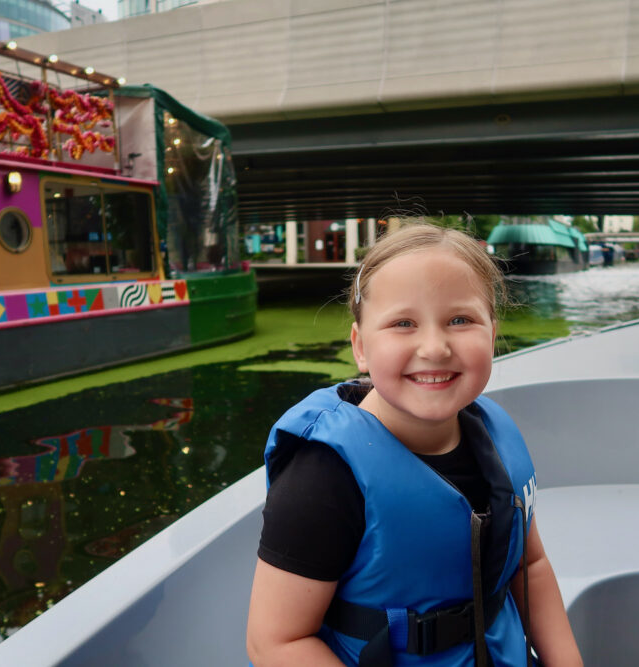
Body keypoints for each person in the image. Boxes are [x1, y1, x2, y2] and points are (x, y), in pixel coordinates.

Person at [247, 221, 582, 667]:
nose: (435, 347)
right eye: (403, 323)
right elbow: (276, 642)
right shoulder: (324, 477)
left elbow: (529, 567)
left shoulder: (498, 437)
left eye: (460, 320)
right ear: (360, 347)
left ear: (493, 332)